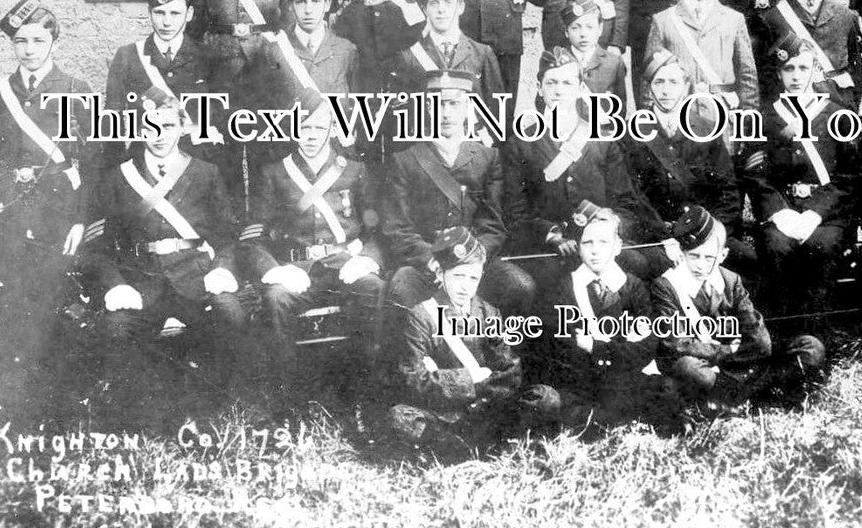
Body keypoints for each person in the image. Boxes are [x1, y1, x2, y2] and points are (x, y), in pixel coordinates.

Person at [83, 88, 246, 411]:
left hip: (195, 276)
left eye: (168, 126)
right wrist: (116, 285)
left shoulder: (205, 172)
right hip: (141, 282)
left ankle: (227, 404)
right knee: (116, 330)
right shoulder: (118, 178)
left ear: (183, 127)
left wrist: (223, 268)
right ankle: (139, 412)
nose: (158, 136)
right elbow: (97, 248)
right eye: (149, 127)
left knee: (232, 316)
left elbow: (228, 236)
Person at [0, 1, 96, 374]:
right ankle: (16, 398)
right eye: (21, 41)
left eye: (39, 40)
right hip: (7, 216)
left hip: (55, 218)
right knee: (8, 303)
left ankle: (55, 401)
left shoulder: (77, 88)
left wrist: (80, 221)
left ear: (54, 42)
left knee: (52, 308)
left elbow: (93, 164)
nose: (29, 49)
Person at [239, 88, 385, 393]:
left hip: (345, 265)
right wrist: (275, 269)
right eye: (303, 126)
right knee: (276, 298)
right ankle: (287, 402)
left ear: (333, 129)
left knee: (374, 289)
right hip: (297, 268)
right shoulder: (274, 173)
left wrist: (368, 257)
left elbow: (377, 229)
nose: (311, 134)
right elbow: (253, 237)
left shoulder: (354, 171)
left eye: (319, 126)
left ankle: (368, 398)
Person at [503, 49, 667, 307]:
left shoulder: (602, 141)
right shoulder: (521, 144)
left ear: (580, 88)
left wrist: (612, 221)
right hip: (548, 250)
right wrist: (552, 235)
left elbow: (626, 203)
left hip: (601, 245)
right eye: (551, 83)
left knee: (639, 265)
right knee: (551, 282)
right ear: (539, 88)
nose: (559, 90)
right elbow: (515, 214)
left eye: (567, 83)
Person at [389, 227, 560, 453]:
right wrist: (471, 377)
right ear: (440, 274)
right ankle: (478, 448)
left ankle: (474, 448)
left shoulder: (489, 313)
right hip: (450, 416)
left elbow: (510, 371)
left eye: (473, 278)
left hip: (491, 408)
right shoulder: (421, 316)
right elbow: (413, 379)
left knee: (546, 397)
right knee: (401, 417)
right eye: (458, 276)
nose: (465, 286)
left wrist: (452, 380)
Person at [650, 206, 826, 412]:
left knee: (810, 347)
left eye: (709, 258)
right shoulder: (667, 285)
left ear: (723, 255)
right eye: (693, 256)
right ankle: (752, 398)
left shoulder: (730, 280)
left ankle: (740, 399)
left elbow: (759, 339)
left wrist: (738, 355)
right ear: (682, 253)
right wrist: (728, 350)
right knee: (687, 368)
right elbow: (676, 343)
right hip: (712, 369)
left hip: (744, 365)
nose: (700, 265)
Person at [186, 0, 294, 198]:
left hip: (265, 66)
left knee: (266, 144)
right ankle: (230, 218)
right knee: (224, 145)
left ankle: (262, 220)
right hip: (220, 65)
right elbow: (196, 23)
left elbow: (287, 21)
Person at [742, 35, 862, 312]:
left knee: (820, 247)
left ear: (815, 71)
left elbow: (851, 176)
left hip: (826, 216)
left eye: (803, 68)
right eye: (789, 69)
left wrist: (815, 212)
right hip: (784, 211)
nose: (796, 76)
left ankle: (816, 330)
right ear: (779, 73)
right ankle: (786, 327)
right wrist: (779, 212)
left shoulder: (838, 115)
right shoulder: (766, 118)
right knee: (775, 247)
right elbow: (755, 174)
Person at [536, 206, 681, 429]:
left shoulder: (634, 287)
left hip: (623, 375)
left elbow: (647, 345)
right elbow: (564, 346)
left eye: (604, 243)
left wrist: (596, 347)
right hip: (582, 380)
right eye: (587, 243)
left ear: (617, 247)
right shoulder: (563, 288)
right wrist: (617, 347)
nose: (595, 251)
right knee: (573, 406)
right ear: (579, 249)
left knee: (667, 390)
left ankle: (612, 418)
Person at [383, 69, 515, 311]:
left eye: (454, 104)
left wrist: (472, 259)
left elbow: (493, 226)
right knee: (400, 289)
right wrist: (433, 260)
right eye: (438, 104)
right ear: (428, 108)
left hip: (473, 262)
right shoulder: (404, 159)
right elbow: (398, 229)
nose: (446, 113)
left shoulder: (487, 157)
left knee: (519, 286)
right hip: (426, 263)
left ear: (468, 108)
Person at [625, 50, 752, 271]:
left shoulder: (706, 128)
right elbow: (634, 197)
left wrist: (712, 233)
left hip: (704, 232)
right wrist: (663, 236)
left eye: (673, 82)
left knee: (750, 262)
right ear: (649, 88)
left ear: (686, 88)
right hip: (657, 238)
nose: (665, 90)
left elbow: (728, 192)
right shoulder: (633, 133)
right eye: (659, 82)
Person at [103, 0, 218, 170]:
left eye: (175, 13)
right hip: (144, 163)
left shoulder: (208, 57)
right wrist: (117, 169)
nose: (166, 22)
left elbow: (221, 116)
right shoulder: (128, 56)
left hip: (196, 163)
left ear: (189, 14)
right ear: (149, 13)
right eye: (159, 12)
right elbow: (112, 119)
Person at [644, 0, 759, 116]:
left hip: (722, 115)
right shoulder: (664, 21)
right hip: (678, 117)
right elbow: (649, 79)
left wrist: (748, 122)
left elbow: (747, 78)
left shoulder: (734, 20)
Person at [762, 0, 862, 109]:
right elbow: (767, 71)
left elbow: (856, 68)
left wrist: (852, 106)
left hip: (836, 103)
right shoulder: (775, 16)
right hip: (792, 107)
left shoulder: (845, 16)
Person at [385, 0, 505, 101]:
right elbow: (401, 115)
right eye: (434, 3)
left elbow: (496, 113)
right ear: (425, 10)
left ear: (461, 7)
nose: (441, 9)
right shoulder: (409, 58)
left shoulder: (482, 54)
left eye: (448, 2)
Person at [259, 0, 360, 110]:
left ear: (327, 4)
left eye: (315, 1)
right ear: (290, 6)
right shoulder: (275, 50)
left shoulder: (347, 51)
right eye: (301, 2)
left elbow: (358, 108)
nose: (308, 10)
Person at [562, 0, 628, 103]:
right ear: (566, 31)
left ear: (600, 29)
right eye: (575, 28)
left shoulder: (614, 63)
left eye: (590, 27)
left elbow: (620, 105)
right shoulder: (557, 61)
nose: (583, 34)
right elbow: (544, 104)